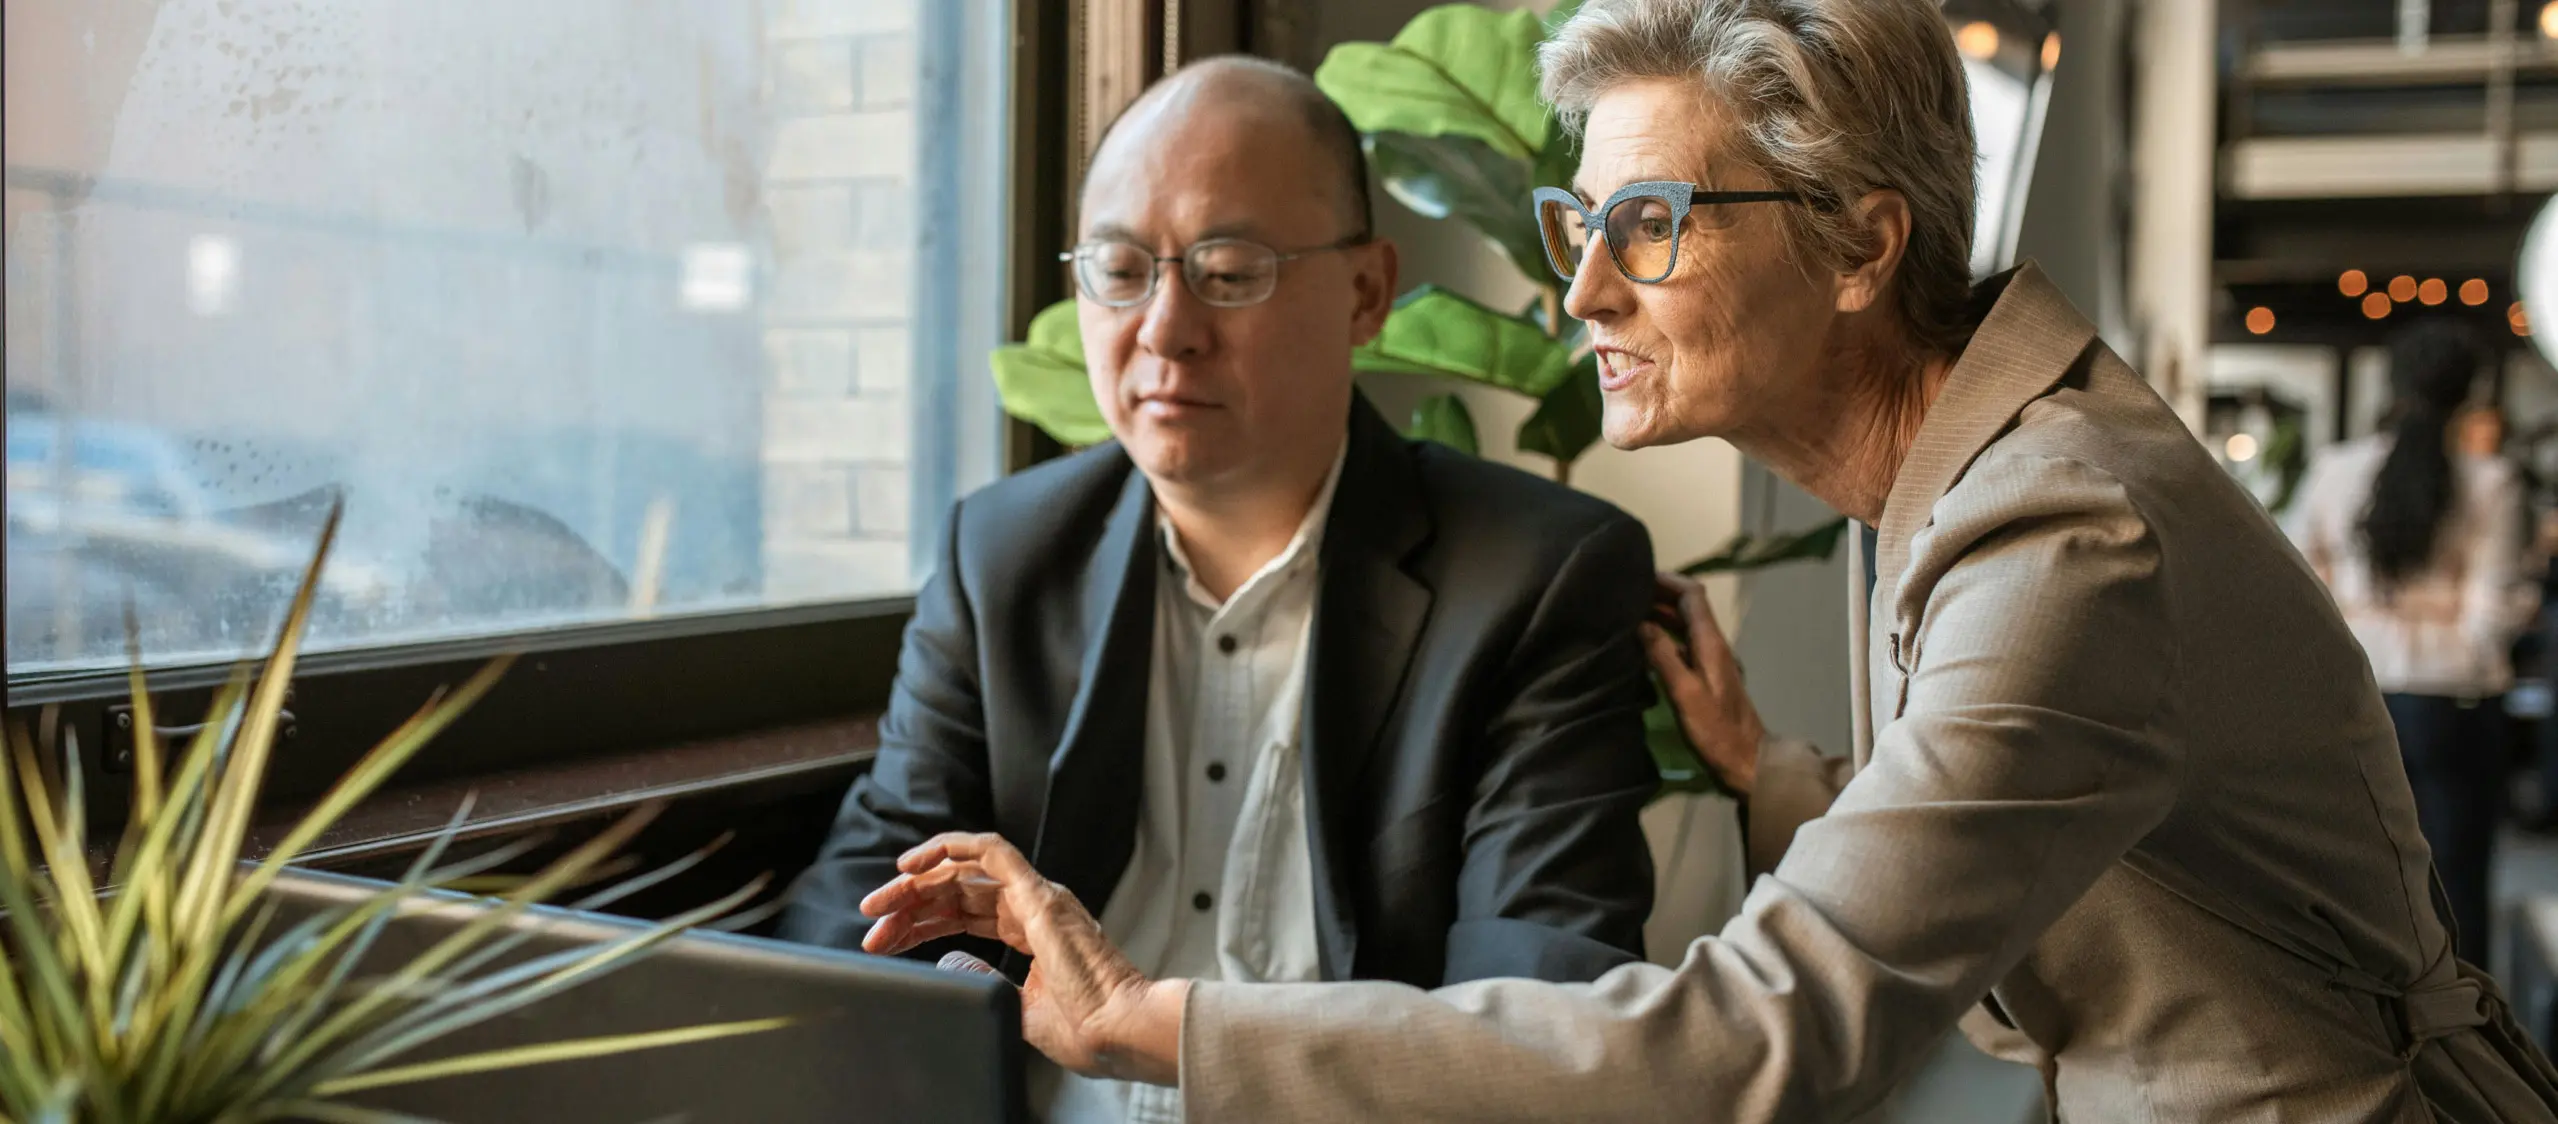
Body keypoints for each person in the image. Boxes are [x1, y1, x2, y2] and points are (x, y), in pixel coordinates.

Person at [855, 1, 2558, 1120]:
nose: (1582, 289)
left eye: (1647, 225)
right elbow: (2054, 816)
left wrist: (1155, 1019)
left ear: (1858, 245)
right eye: (1576, 226)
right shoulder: (1966, 468)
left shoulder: (2060, 534)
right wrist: (1779, 776)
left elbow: (1741, 1046)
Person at [776, 55, 1663, 1123]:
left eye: (1229, 270)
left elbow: (1541, 1015)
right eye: (1119, 269)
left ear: (1366, 293)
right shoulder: (1003, 556)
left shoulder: (1534, 577)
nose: (1164, 327)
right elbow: (862, 912)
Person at [2289, 325, 2535, 966]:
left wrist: (2368, 620)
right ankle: (2464, 1026)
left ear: (2391, 384)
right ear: (2470, 396)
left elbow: (2303, 592)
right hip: (2453, 702)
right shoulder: (2492, 482)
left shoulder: (2334, 470)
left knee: (2350, 881)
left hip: (2351, 693)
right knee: (2455, 886)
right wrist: (2436, 623)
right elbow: (2488, 617)